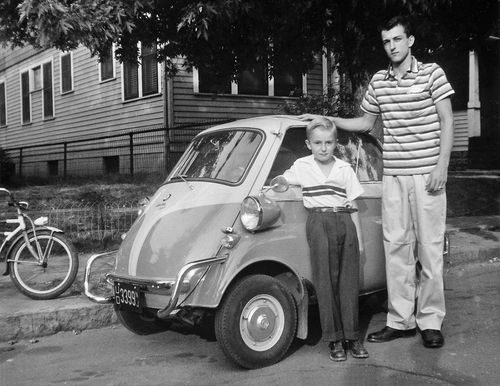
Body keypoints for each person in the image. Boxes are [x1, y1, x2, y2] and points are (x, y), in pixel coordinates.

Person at [299, 15, 454, 349]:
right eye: (386, 41)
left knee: (429, 250)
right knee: (396, 249)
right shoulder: (379, 81)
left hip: (428, 175)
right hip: (394, 177)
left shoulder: (432, 73)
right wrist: (327, 120)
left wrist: (442, 165)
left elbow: (447, 120)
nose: (392, 46)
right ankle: (400, 320)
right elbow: (366, 121)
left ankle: (430, 322)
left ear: (410, 41)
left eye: (397, 39)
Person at [280, 117, 368, 361]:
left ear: (335, 143)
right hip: (319, 222)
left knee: (348, 282)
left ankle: (352, 336)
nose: (323, 147)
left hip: (345, 221)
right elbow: (281, 182)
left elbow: (354, 206)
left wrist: (359, 240)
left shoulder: (344, 168)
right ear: (309, 144)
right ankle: (334, 339)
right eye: (318, 143)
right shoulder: (301, 166)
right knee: (325, 280)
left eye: (328, 142)